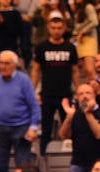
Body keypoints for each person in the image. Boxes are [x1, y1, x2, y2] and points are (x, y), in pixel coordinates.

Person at [0, 51, 39, 172]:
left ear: (15, 65)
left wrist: (33, 127)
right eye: (0, 63)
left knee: (23, 168)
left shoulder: (24, 81)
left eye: (6, 63)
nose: (2, 66)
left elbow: (34, 106)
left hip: (21, 128)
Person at [30, 12, 79, 154]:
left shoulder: (70, 47)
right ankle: (43, 157)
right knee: (46, 130)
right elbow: (35, 70)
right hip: (47, 94)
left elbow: (75, 71)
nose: (56, 31)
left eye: (59, 28)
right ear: (48, 28)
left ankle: (70, 156)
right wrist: (32, 91)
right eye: (53, 28)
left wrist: (77, 90)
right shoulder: (42, 47)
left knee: (69, 129)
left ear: (64, 28)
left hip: (66, 94)